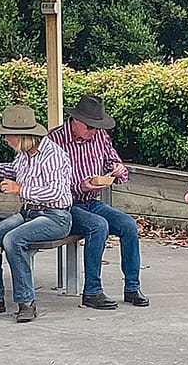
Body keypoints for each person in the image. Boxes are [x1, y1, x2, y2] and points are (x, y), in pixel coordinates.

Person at [48, 94, 147, 311]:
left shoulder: (100, 137)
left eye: (96, 127)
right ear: (75, 120)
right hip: (63, 206)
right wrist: (80, 186)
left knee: (128, 225)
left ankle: (132, 287)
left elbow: (113, 160)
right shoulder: (53, 141)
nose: (93, 131)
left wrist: (118, 169)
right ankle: (92, 291)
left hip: (92, 201)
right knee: (98, 225)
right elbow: (48, 181)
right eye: (90, 127)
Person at [0, 103, 72, 323]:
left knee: (13, 239)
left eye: (8, 135)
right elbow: (14, 169)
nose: (6, 140)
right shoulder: (24, 154)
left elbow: (56, 191)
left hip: (55, 216)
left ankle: (26, 302)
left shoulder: (53, 156)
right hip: (28, 213)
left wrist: (20, 189)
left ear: (22, 135)